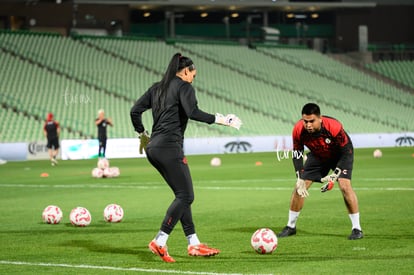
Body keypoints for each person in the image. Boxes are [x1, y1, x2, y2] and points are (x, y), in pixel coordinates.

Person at [130, 53, 242, 263]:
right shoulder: (184, 86)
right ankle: (160, 241)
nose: (193, 78)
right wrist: (222, 119)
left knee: (182, 196)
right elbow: (192, 112)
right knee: (186, 196)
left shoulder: (157, 88)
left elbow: (135, 111)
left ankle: (193, 242)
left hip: (153, 147)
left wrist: (142, 134)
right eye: (193, 74)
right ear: (184, 72)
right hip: (170, 147)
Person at [278, 103, 363, 240]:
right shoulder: (298, 129)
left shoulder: (333, 126)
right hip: (318, 155)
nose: (308, 125)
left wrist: (334, 175)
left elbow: (346, 151)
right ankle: (290, 226)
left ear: (320, 118)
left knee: (345, 186)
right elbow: (297, 153)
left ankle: (357, 228)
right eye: (305, 121)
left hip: (340, 156)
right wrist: (299, 177)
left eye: (312, 121)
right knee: (299, 188)